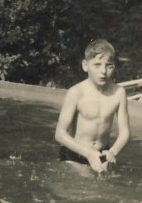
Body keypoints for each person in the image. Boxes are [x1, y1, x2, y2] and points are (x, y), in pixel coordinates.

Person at [54, 39, 131, 173]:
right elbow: (60, 134)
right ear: (85, 65)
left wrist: (112, 152)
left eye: (109, 66)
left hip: (102, 153)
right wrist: (88, 154)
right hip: (75, 153)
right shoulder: (76, 92)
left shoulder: (119, 93)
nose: (103, 71)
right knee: (82, 180)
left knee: (104, 184)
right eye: (97, 65)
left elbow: (125, 133)